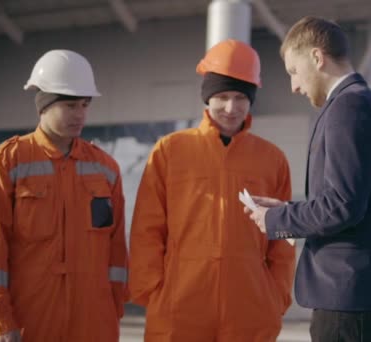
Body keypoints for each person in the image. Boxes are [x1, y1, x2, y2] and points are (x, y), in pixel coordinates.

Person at [247, 16, 371, 341]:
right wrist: (286, 209)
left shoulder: (348, 108)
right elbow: (348, 200)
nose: (293, 86)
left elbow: (341, 206)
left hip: (351, 302)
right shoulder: (366, 103)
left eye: (294, 72)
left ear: (317, 58)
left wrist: (276, 219)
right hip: (364, 297)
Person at [128, 39, 296, 342]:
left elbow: (282, 240)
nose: (231, 108)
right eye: (222, 96)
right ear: (207, 97)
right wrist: (154, 292)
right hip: (180, 307)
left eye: (240, 97)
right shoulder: (171, 150)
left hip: (250, 309)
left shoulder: (272, 159)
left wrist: (276, 295)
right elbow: (147, 229)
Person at [0, 49, 128, 342]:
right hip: (28, 323)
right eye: (69, 105)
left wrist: (110, 313)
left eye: (84, 104)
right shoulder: (7, 162)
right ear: (43, 105)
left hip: (93, 325)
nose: (79, 114)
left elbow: (116, 251)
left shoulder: (106, 169)